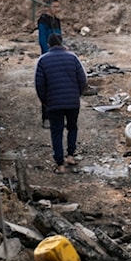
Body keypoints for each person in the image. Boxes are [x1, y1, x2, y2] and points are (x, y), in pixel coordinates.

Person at [35, 33, 88, 173]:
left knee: (56, 131)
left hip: (53, 104)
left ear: (49, 45)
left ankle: (60, 165)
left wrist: (45, 102)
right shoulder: (73, 57)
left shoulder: (43, 60)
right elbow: (83, 80)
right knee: (72, 127)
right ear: (62, 43)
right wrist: (76, 95)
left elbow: (39, 85)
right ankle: (70, 155)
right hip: (72, 102)